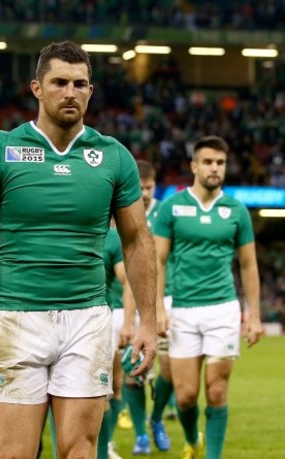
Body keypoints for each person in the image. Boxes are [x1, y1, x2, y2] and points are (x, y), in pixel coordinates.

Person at [0, 40, 157, 459]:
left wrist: (149, 321)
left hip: (86, 319)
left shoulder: (113, 156)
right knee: (13, 454)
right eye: (59, 82)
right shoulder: (2, 149)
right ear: (37, 89)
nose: (70, 92)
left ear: (91, 91)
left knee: (79, 451)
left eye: (80, 83)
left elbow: (137, 240)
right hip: (17, 317)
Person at [153, 135, 264, 459]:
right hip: (183, 309)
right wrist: (158, 307)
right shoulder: (172, 207)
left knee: (217, 390)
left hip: (222, 309)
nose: (215, 168)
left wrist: (253, 315)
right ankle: (192, 439)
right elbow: (158, 260)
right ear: (194, 166)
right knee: (186, 395)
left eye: (220, 163)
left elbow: (248, 264)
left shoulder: (236, 210)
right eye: (208, 162)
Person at [137, 159, 173, 452]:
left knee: (171, 371)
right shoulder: (120, 211)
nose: (144, 193)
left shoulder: (167, 212)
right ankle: (140, 434)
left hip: (168, 297)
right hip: (129, 300)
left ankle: (157, 418)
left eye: (148, 187)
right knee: (132, 372)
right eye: (139, 188)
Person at [98, 222, 135, 459]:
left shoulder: (112, 239)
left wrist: (129, 323)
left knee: (108, 389)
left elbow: (128, 280)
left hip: (99, 323)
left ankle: (105, 445)